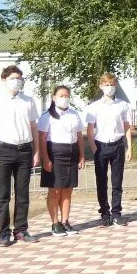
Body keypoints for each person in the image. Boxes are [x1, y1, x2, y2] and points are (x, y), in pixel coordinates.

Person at [0, 65, 40, 246]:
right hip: (3, 151)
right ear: (4, 80)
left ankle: (21, 230)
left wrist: (36, 151)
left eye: (19, 78)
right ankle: (3, 233)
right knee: (3, 194)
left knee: (22, 193)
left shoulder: (28, 101)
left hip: (24, 150)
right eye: (12, 78)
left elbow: (34, 128)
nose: (16, 81)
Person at [36, 85, 86, 236]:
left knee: (68, 189)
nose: (64, 98)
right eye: (61, 96)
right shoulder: (47, 115)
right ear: (54, 98)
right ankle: (55, 223)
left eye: (67, 96)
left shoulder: (74, 114)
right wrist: (45, 158)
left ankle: (65, 221)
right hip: (54, 153)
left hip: (71, 153)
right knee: (55, 189)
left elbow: (79, 137)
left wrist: (82, 156)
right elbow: (42, 139)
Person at [85, 73, 133, 227]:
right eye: (106, 85)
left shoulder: (123, 105)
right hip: (101, 146)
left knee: (117, 181)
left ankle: (117, 213)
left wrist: (129, 147)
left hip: (117, 145)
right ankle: (105, 213)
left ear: (116, 86)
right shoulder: (94, 107)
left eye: (112, 84)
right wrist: (93, 147)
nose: (109, 87)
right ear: (101, 86)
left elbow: (126, 127)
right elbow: (90, 129)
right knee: (101, 182)